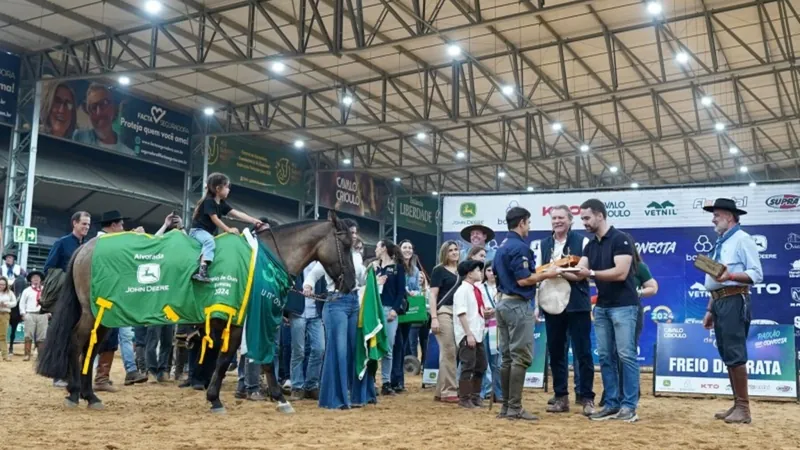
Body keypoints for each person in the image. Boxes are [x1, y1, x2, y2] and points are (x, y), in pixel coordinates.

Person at [574, 199, 639, 423]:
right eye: (582, 218)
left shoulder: (621, 239)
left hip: (624, 305)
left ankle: (629, 406)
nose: (584, 223)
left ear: (600, 215)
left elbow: (620, 273)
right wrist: (557, 270)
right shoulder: (590, 245)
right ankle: (612, 403)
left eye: (586, 218)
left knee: (625, 355)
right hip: (602, 307)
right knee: (605, 357)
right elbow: (579, 271)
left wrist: (589, 273)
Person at [493, 206, 560, 421]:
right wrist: (547, 274)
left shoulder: (502, 246)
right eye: (529, 223)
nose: (529, 227)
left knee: (506, 358)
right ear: (522, 222)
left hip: (503, 304)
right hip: (517, 305)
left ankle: (506, 407)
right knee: (520, 357)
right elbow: (523, 280)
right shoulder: (520, 248)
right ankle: (514, 407)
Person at [701, 198, 762, 424]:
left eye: (716, 215)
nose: (713, 219)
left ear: (729, 216)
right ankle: (737, 404)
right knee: (727, 352)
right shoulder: (723, 241)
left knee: (734, 352)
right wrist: (710, 308)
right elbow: (715, 279)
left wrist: (731, 276)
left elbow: (756, 273)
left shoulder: (742, 239)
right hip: (720, 301)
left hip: (735, 298)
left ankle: (744, 408)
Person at [531, 205, 595, 415]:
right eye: (554, 218)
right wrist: (537, 304)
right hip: (551, 303)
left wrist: (560, 272)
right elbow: (538, 276)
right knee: (556, 351)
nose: (557, 221)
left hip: (577, 303)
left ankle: (586, 397)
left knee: (583, 352)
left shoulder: (582, 241)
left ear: (570, 220)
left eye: (561, 218)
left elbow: (584, 273)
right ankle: (561, 397)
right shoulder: (542, 245)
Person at [304, 219, 365, 410]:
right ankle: (335, 398)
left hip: (353, 301)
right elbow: (313, 275)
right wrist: (308, 285)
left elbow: (361, 280)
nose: (353, 236)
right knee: (339, 349)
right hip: (336, 302)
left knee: (354, 348)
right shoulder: (331, 254)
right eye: (350, 233)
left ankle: (354, 396)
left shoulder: (357, 256)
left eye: (355, 232)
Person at [93, 210, 147, 391]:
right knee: (99, 337)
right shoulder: (103, 241)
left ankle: (107, 376)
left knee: (118, 336)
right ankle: (92, 376)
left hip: (114, 296)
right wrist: (133, 236)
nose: (123, 228)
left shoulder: (104, 240)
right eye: (121, 225)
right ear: (114, 225)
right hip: (105, 297)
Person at [189, 173, 264, 282]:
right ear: (218, 188)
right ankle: (202, 271)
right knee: (209, 242)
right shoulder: (209, 201)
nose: (229, 190)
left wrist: (254, 220)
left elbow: (237, 213)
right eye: (227, 187)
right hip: (198, 231)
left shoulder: (222, 203)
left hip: (208, 233)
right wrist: (228, 229)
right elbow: (215, 219)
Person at [453, 259, 491, 409]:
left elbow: (475, 311)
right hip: (468, 333)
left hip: (478, 332)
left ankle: (475, 395)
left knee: (481, 365)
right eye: (477, 270)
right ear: (469, 273)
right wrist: (468, 334)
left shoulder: (476, 289)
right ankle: (464, 397)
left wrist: (486, 314)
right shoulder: (462, 290)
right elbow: (461, 313)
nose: (480, 273)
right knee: (468, 365)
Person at [370, 239, 406, 396]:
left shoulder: (398, 268)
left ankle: (386, 382)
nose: (376, 250)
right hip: (375, 310)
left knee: (388, 347)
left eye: (378, 246)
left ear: (384, 248)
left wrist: (395, 309)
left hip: (389, 310)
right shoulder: (373, 268)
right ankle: (371, 381)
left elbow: (400, 292)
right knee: (372, 345)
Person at [287, 263, 326, 401]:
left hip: (316, 312)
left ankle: (311, 385)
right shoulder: (297, 264)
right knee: (299, 351)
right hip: (298, 312)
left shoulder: (320, 266)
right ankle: (297, 386)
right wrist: (287, 311)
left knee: (319, 349)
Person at [429, 240, 460, 403]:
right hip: (443, 311)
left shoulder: (462, 271)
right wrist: (434, 317)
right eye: (450, 250)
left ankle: (441, 391)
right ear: (445, 253)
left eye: (456, 249)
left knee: (449, 352)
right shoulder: (438, 270)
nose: (454, 252)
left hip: (458, 313)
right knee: (449, 349)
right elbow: (433, 295)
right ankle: (449, 390)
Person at [72, 84, 135, 155]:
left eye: (103, 104)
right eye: (93, 107)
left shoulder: (128, 154)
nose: (99, 112)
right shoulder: (77, 137)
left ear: (113, 107)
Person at [395, 239, 423, 392]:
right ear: (399, 249)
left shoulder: (415, 269)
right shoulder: (396, 266)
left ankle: (400, 381)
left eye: (410, 247)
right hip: (396, 310)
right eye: (405, 247)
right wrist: (406, 290)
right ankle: (394, 379)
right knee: (397, 345)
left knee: (404, 345)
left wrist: (415, 292)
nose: (407, 250)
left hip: (408, 311)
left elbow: (417, 288)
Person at [480, 262, 502, 402]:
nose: (491, 273)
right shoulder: (480, 288)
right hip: (483, 327)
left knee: (497, 363)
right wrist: (484, 311)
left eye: (494, 270)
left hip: (498, 328)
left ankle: (497, 393)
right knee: (482, 361)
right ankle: (481, 393)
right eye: (488, 270)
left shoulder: (503, 288)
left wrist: (496, 311)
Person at [18, 270, 46, 362]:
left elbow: (50, 301)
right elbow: (22, 302)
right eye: (33, 278)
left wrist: (49, 313)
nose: (36, 280)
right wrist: (23, 313)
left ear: (41, 280)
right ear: (30, 280)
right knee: (28, 335)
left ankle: (40, 356)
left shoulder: (45, 290)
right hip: (30, 313)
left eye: (37, 278)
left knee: (42, 336)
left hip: (42, 314)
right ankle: (27, 354)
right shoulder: (27, 291)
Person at [0, 276, 17, 361]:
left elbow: (14, 303)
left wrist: (7, 304)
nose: (1, 286)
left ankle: (5, 355)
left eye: (3, 284)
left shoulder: (10, 293)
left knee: (2, 336)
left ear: (6, 285)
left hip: (5, 314)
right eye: (0, 284)